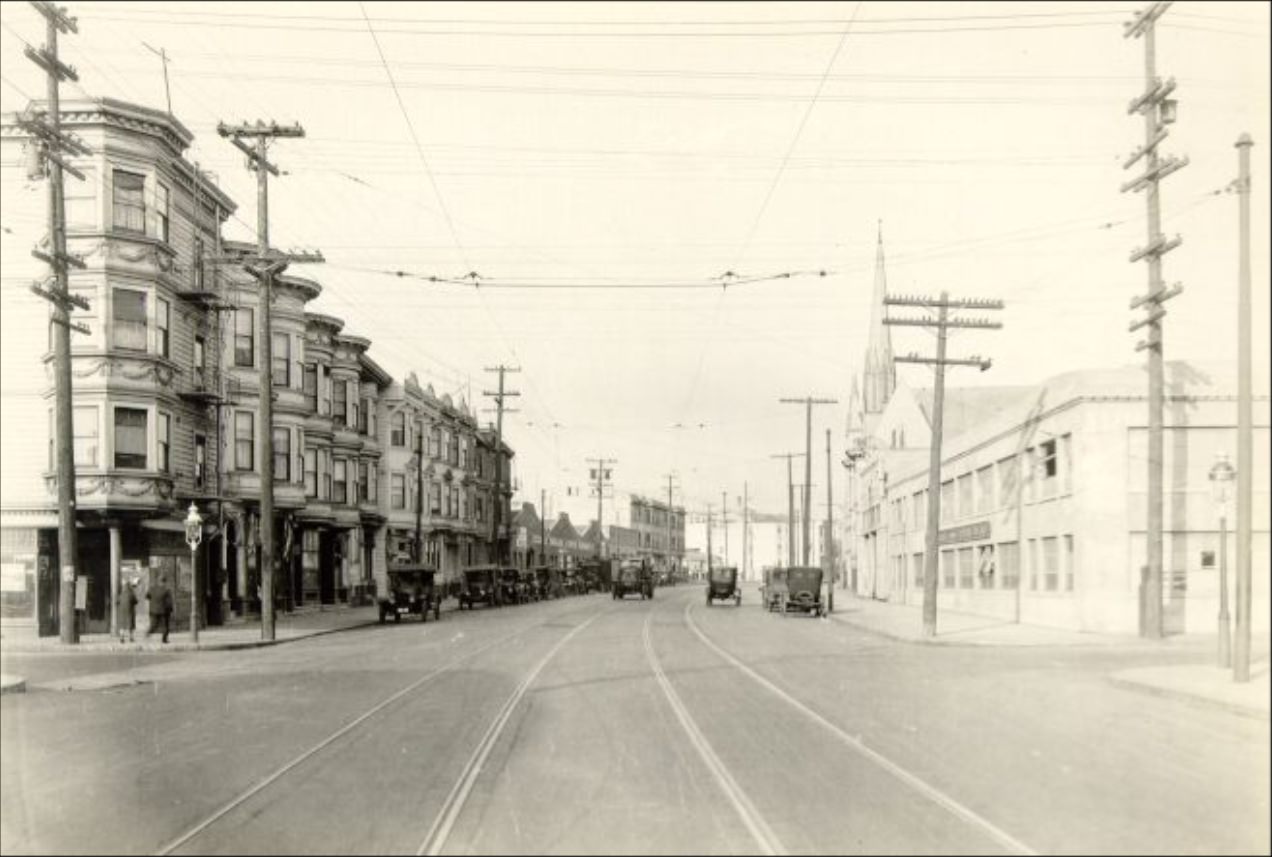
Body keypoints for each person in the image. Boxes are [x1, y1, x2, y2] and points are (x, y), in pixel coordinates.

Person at [146, 572, 174, 643]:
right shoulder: (167, 590)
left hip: (153, 610)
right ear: (165, 582)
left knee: (154, 624)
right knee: (165, 626)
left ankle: (148, 633)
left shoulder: (152, 588)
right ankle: (164, 639)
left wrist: (153, 601)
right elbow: (169, 602)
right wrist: (171, 609)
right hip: (163, 611)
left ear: (158, 581)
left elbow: (147, 596)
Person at [117, 578, 137, 643]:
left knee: (122, 624)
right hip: (130, 611)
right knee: (130, 624)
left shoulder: (121, 594)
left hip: (122, 611)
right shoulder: (131, 593)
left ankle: (122, 637)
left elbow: (117, 602)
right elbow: (136, 601)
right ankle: (131, 637)